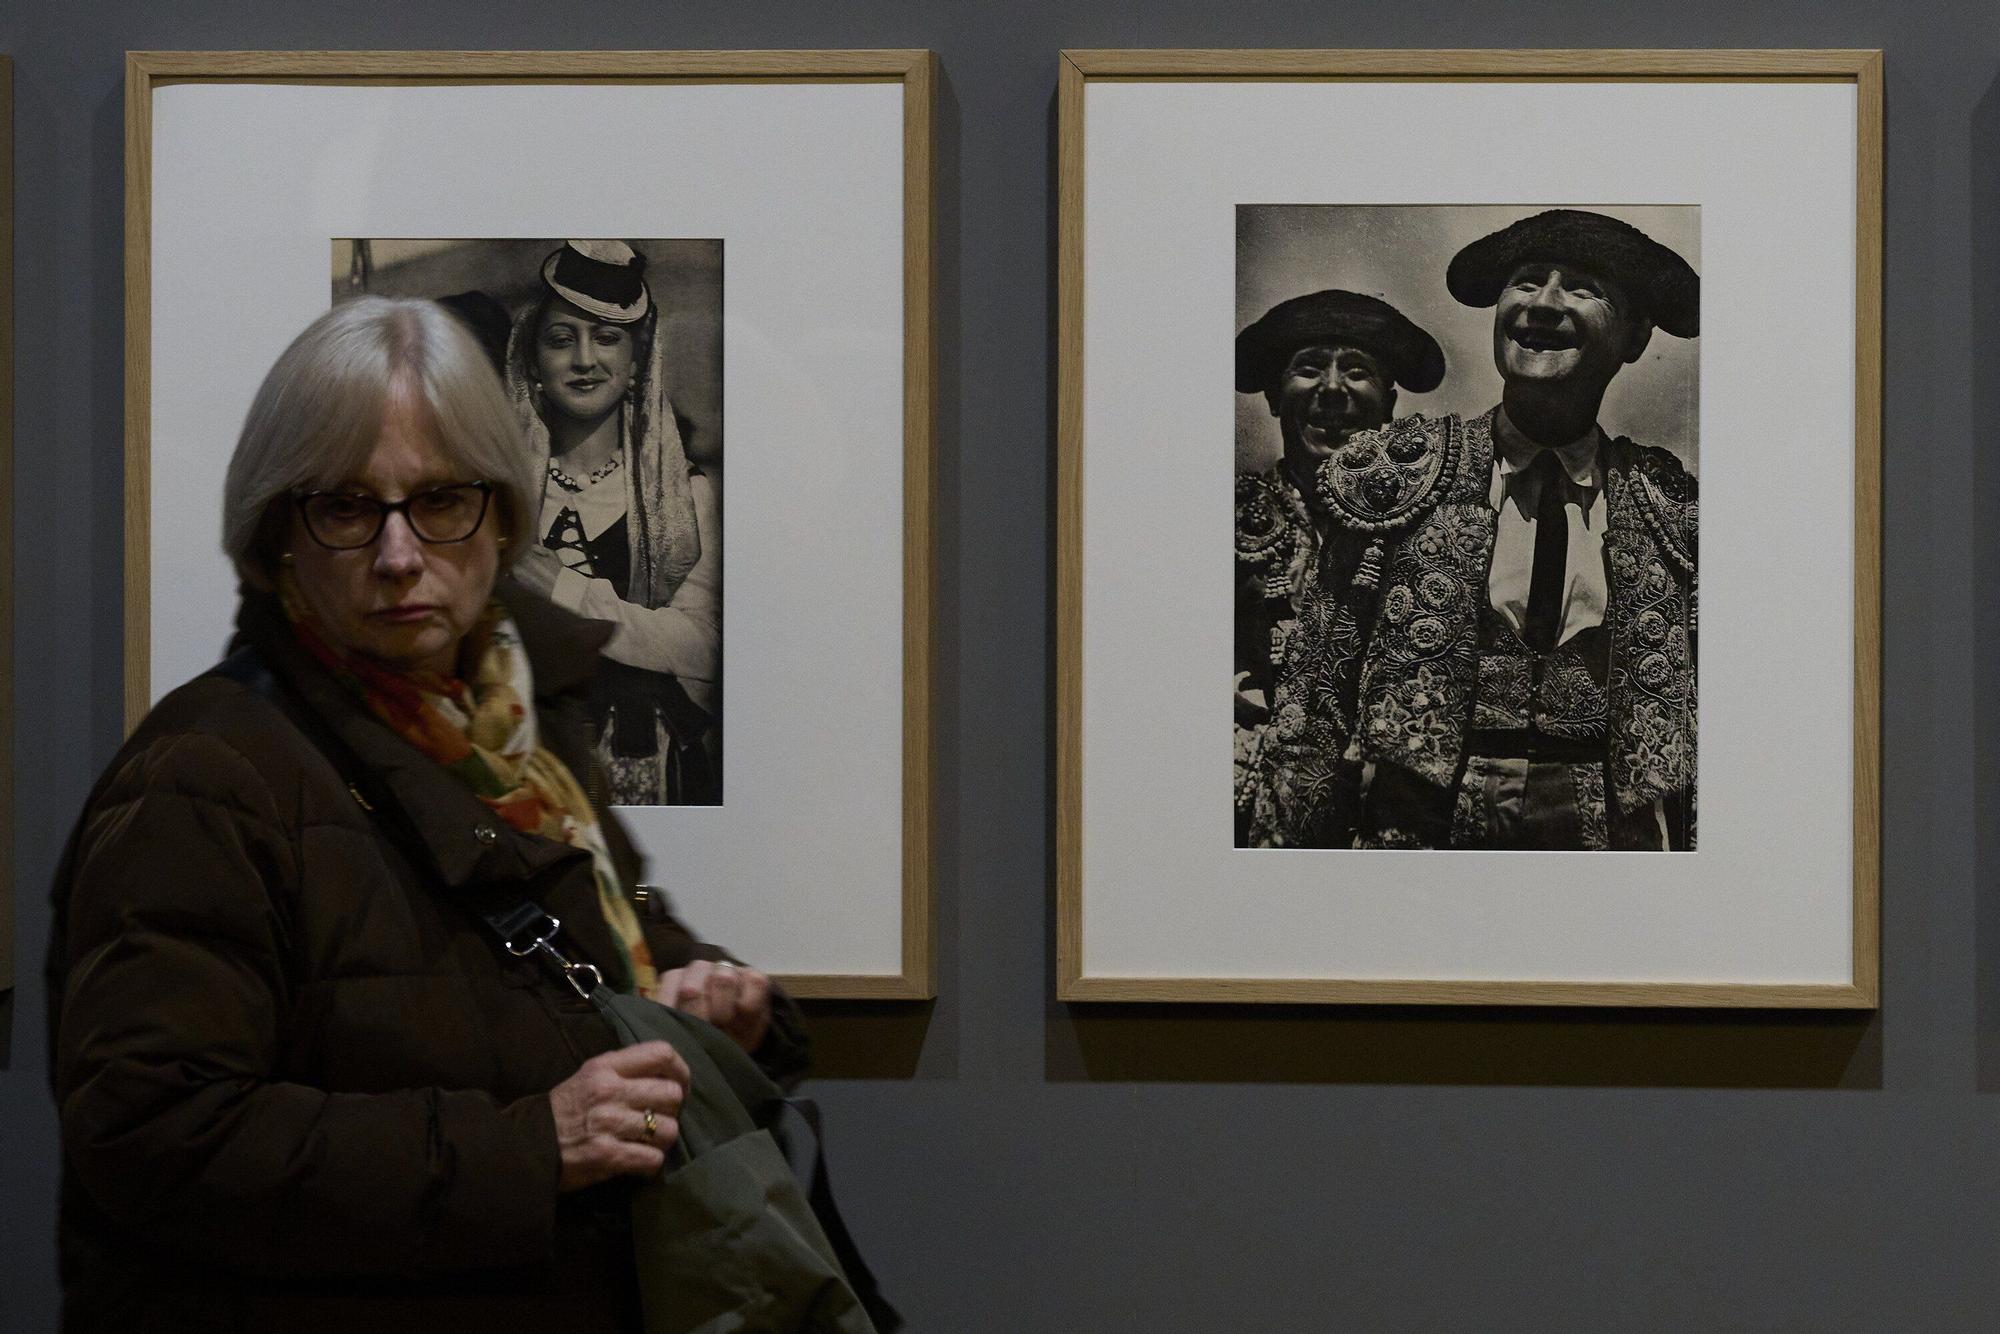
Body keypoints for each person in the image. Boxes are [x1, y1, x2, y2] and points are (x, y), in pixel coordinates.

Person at [46, 298, 807, 1331]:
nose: (401, 554)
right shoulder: (203, 775)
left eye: (440, 499)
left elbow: (603, 956)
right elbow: (153, 1131)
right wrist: (531, 1145)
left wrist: (713, 1004)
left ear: (499, 519)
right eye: (349, 507)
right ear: (280, 537)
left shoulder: (520, 733)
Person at [1252, 210, 1698, 850]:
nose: (1542, 305)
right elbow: (1314, 709)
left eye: (1580, 288)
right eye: (1524, 283)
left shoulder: (1671, 507)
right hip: (1419, 844)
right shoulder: (1400, 477)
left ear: (1634, 337)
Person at [504, 240, 721, 806]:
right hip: (522, 767)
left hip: (645, 767)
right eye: (561, 339)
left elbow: (702, 649)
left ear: (634, 364)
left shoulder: (687, 496)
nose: (584, 360)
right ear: (532, 362)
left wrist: (561, 588)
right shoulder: (503, 498)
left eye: (606, 337)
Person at [1232, 290, 1445, 845]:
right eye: (1307, 370)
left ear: (1390, 402)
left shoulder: (1433, 533)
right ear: (1276, 398)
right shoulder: (1221, 521)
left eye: (1356, 372)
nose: (1331, 390)